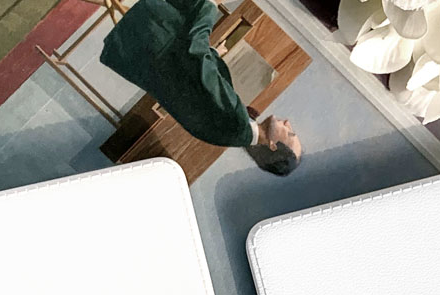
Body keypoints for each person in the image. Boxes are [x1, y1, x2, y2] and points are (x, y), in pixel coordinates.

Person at [99, 0, 302, 175]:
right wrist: (214, 54)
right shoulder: (235, 131)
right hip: (148, 47)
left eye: (290, 134)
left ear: (273, 145)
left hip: (154, 35)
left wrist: (209, 6)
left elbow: (195, 54)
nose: (288, 123)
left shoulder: (236, 124)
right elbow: (195, 83)